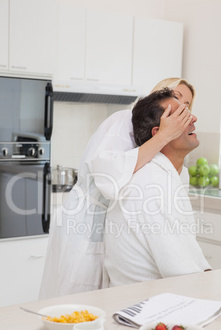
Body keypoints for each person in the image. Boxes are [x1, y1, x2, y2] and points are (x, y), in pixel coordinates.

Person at [39, 78, 195, 299]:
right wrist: (163, 136)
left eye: (187, 106)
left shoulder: (164, 146)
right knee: (73, 299)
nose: (183, 111)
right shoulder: (124, 120)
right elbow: (107, 178)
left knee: (101, 305)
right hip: (86, 224)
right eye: (176, 99)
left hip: (116, 235)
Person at [103, 88, 211, 287]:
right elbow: (180, 270)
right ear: (159, 133)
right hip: (145, 305)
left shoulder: (171, 174)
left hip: (157, 295)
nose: (193, 118)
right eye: (181, 116)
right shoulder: (151, 184)